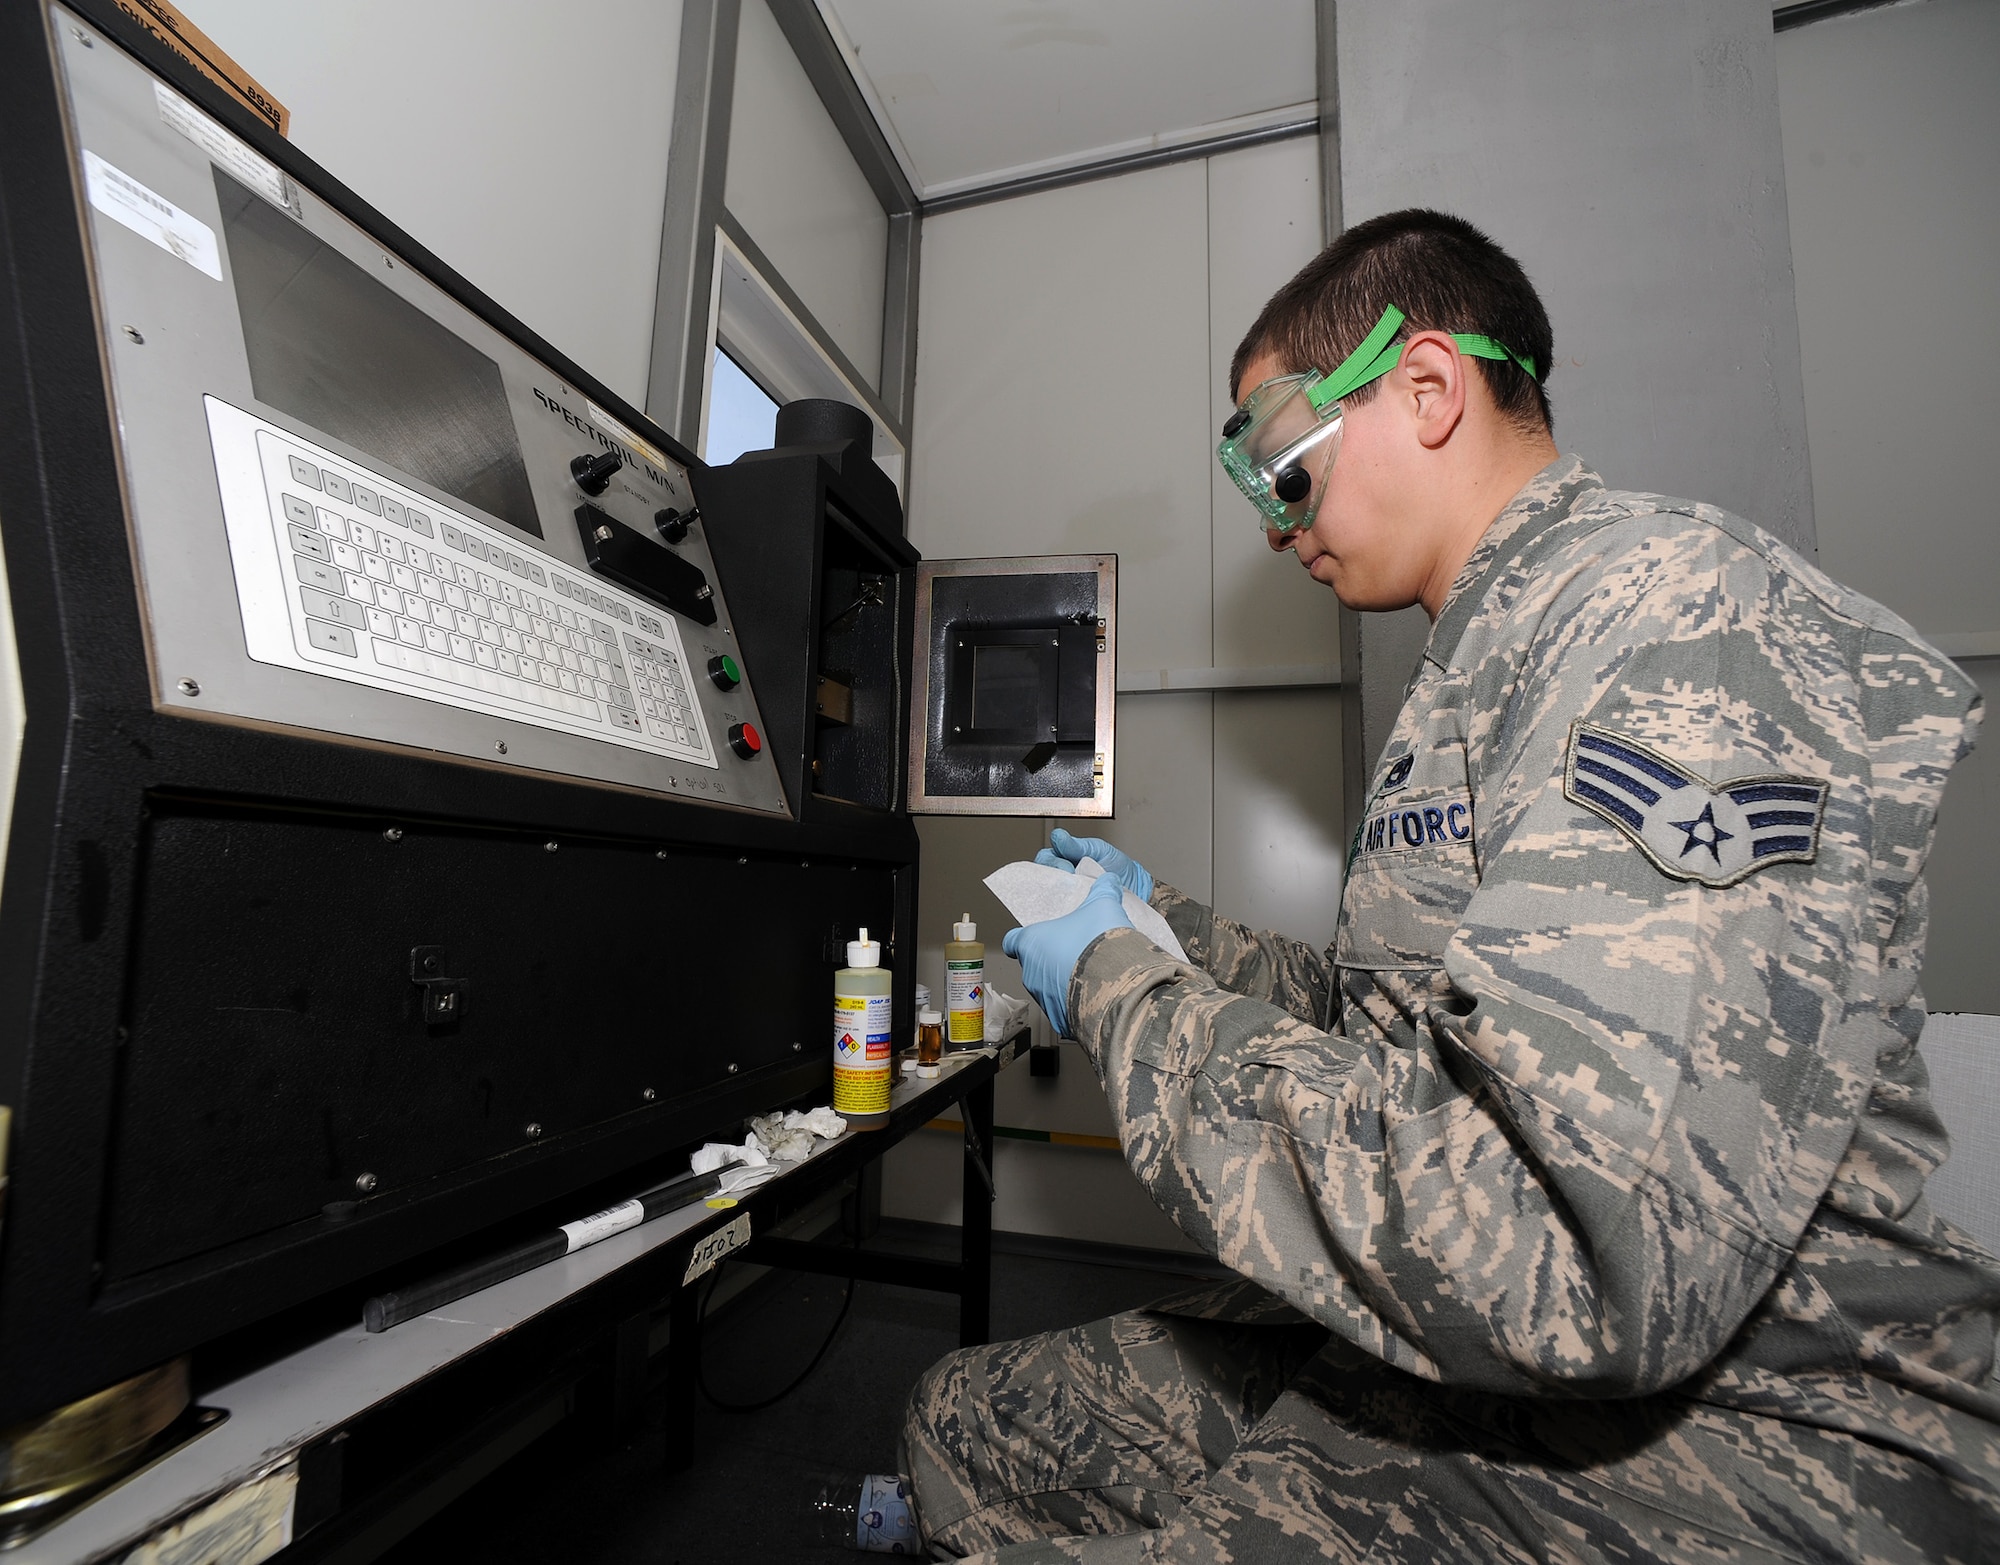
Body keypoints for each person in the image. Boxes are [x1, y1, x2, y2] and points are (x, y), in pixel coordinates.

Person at [897, 209, 1999, 1562]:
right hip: (1523, 1376)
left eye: (1281, 463)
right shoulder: (1488, 654)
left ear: (1425, 388)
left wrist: (1123, 993)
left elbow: (1567, 1243)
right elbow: (1407, 1025)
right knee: (968, 1414)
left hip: (1761, 1438)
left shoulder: (1671, 616)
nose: (1273, 524)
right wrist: (1165, 928)